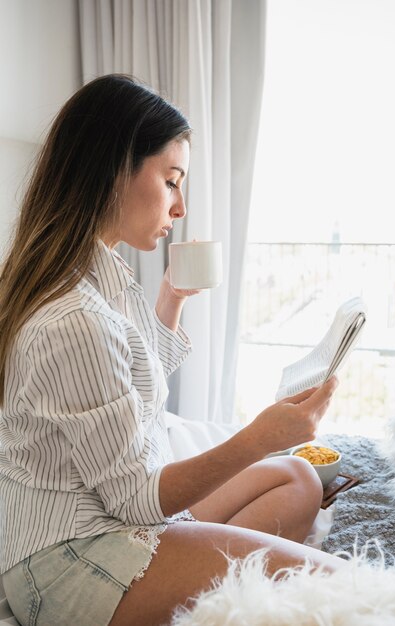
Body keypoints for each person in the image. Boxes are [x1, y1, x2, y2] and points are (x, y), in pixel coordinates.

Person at [0, 74, 342, 626]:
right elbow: (134, 498)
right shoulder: (74, 316)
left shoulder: (97, 274)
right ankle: (201, 579)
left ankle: (203, 578)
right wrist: (256, 437)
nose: (180, 207)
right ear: (113, 170)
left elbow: (127, 384)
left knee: (296, 479)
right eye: (172, 180)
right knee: (334, 583)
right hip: (73, 561)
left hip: (114, 517)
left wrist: (171, 299)